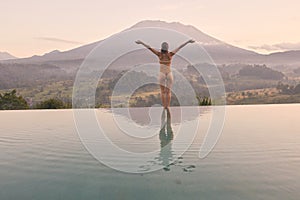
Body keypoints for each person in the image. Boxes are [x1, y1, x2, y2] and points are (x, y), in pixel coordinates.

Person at [135, 39, 195, 109]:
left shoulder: (159, 54)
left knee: (163, 92)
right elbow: (179, 47)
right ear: (167, 48)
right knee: (168, 91)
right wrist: (188, 41)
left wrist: (141, 42)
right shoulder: (170, 54)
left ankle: (164, 107)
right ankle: (168, 106)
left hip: (162, 73)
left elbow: (149, 47)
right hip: (169, 73)